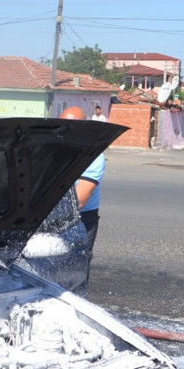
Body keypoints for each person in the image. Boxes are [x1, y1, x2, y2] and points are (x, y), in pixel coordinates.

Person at [60, 106, 104, 266]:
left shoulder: (94, 157)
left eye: (73, 126)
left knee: (77, 267)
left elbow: (79, 201)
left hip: (82, 219)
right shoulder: (53, 151)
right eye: (63, 126)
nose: (67, 131)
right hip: (49, 214)